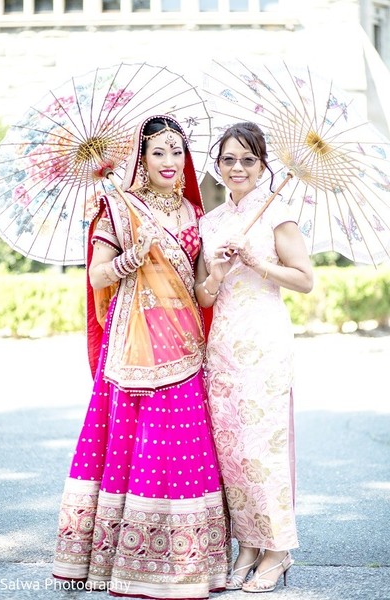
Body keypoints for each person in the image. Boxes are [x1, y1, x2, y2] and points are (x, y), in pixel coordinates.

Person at [52, 115, 229, 598]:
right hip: (134, 341)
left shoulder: (196, 214)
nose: (170, 161)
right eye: (159, 152)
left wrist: (214, 276)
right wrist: (130, 259)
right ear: (141, 159)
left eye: (178, 151)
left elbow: (198, 289)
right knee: (138, 445)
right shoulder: (118, 208)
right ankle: (124, 562)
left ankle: (190, 563)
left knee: (185, 449)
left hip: (185, 343)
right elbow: (97, 277)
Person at [195, 121, 314, 594]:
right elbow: (204, 298)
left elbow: (305, 279)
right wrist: (218, 273)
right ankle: (247, 544)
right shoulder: (210, 222)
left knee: (262, 449)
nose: (238, 167)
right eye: (229, 159)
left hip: (264, 343)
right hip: (221, 346)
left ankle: (279, 549)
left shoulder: (279, 215)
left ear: (263, 164)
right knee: (232, 451)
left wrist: (258, 261)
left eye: (248, 159)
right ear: (217, 166)